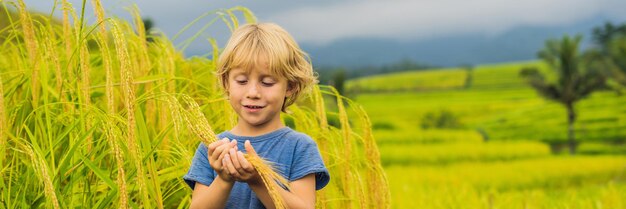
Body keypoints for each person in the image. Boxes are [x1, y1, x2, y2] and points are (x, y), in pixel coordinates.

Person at [183, 23, 330, 209]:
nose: (253, 92)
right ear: (226, 82)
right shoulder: (213, 149)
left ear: (290, 86)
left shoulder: (299, 147)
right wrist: (224, 179)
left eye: (267, 82)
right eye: (242, 81)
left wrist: (259, 181)